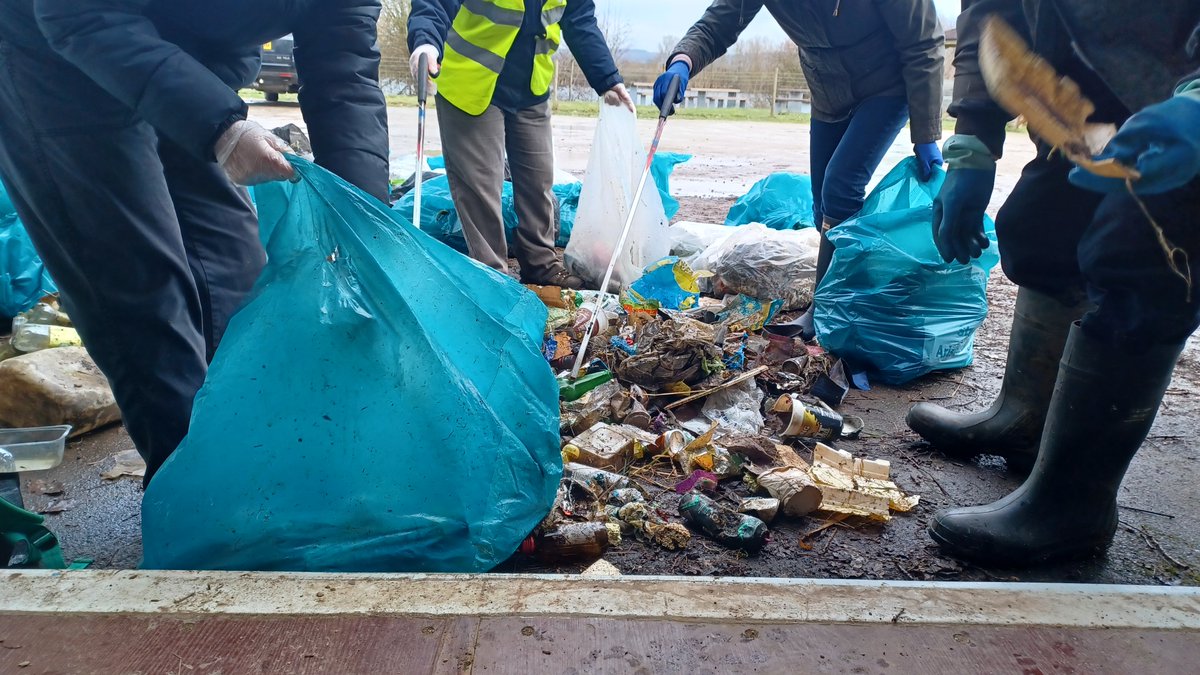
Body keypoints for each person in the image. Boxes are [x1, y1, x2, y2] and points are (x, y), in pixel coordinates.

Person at [0, 0, 390, 484]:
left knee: (235, 266)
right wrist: (220, 127)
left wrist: (364, 218)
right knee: (139, 281)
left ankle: (263, 471)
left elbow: (345, 73)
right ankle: (198, 501)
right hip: (57, 49)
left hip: (196, 63)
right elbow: (77, 15)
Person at [907, 0, 1200, 566]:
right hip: (1097, 93)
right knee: (1041, 225)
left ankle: (1073, 508)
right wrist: (972, 138)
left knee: (1142, 257)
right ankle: (1023, 419)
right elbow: (989, 19)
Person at [655, 0, 945, 339]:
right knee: (823, 204)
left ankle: (826, 309)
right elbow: (721, 21)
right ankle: (850, 293)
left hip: (887, 85)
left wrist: (926, 133)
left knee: (841, 186)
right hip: (828, 89)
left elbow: (924, 42)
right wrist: (682, 61)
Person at [409, 0, 633, 290]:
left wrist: (607, 79)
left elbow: (578, 18)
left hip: (530, 86)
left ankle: (541, 266)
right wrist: (425, 42)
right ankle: (493, 280)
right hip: (471, 80)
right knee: (481, 188)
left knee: (538, 182)